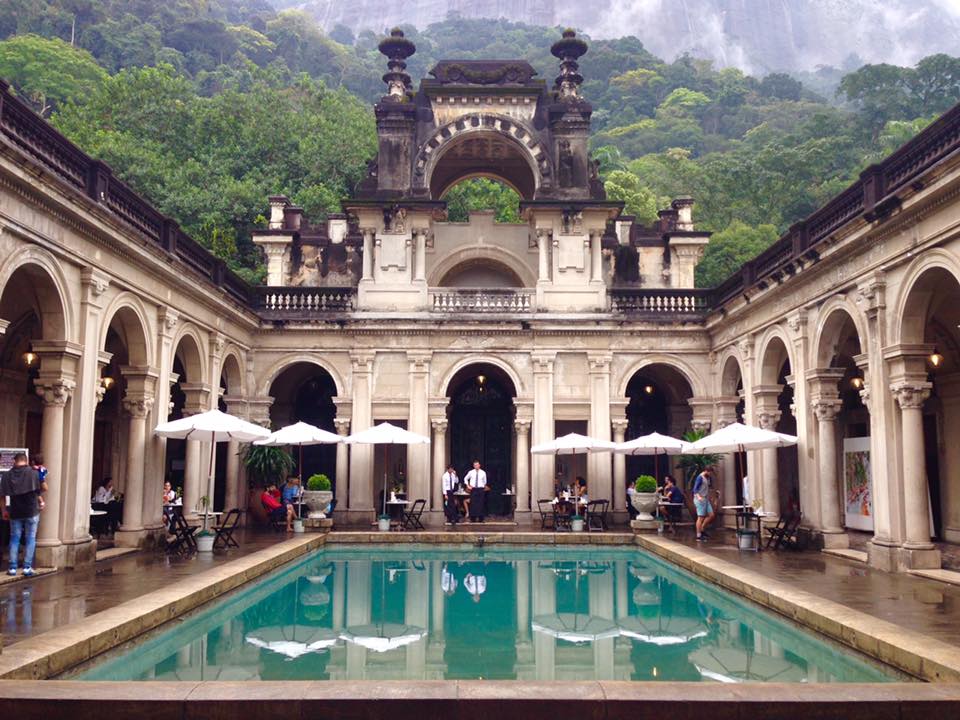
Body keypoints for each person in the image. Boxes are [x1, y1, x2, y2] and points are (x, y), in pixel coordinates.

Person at [1, 452, 44, 576]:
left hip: (15, 512)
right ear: (26, 460)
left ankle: (13, 568)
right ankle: (27, 567)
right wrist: (41, 501)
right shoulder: (33, 473)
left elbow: (2, 496)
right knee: (30, 538)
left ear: (15, 461)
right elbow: (40, 490)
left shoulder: (7, 475)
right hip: (31, 511)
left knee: (14, 538)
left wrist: (4, 510)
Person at [692, 468, 716, 541]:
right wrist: (698, 497)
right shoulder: (700, 478)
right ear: (706, 471)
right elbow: (695, 489)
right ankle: (698, 535)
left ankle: (702, 529)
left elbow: (706, 488)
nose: (710, 474)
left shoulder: (707, 478)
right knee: (700, 517)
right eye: (709, 473)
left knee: (711, 515)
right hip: (700, 499)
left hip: (705, 499)